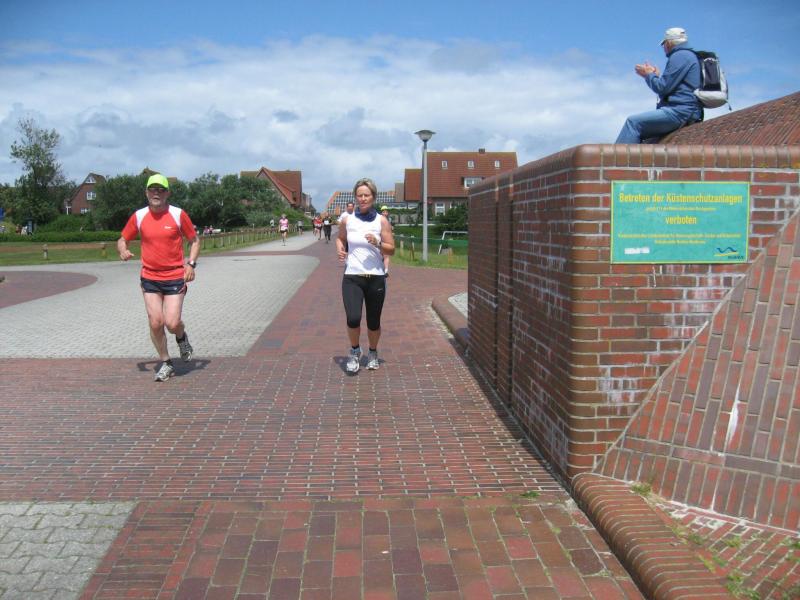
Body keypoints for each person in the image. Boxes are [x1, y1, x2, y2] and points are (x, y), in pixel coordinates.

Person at [117, 174, 200, 382]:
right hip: (150, 276)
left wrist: (190, 264)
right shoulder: (139, 216)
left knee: (171, 323)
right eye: (153, 189)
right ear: (146, 192)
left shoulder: (178, 214)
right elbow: (122, 239)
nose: (157, 193)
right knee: (155, 322)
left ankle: (181, 337)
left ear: (167, 193)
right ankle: (166, 362)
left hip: (174, 276)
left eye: (161, 190)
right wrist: (123, 250)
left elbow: (194, 240)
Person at [336, 178, 395, 374]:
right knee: (353, 318)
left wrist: (378, 243)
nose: (362, 198)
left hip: (375, 277)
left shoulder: (382, 221)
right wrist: (340, 250)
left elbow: (391, 249)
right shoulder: (347, 220)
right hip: (352, 276)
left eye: (366, 195)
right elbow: (340, 238)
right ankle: (354, 351)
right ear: (356, 197)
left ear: (373, 197)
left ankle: (372, 352)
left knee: (373, 321)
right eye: (359, 195)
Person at [615, 27, 702, 144]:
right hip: (687, 110)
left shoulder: (680, 56)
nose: (664, 48)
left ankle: (617, 156)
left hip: (680, 112)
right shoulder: (688, 55)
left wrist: (648, 75)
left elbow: (662, 88)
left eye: (663, 44)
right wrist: (655, 76)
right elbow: (669, 88)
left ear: (668, 43)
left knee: (632, 123)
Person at [380, 205, 392, 276]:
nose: (385, 213)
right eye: (383, 212)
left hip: (387, 240)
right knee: (380, 255)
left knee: (386, 255)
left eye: (386, 212)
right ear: (381, 212)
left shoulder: (389, 220)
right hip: (379, 239)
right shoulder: (378, 219)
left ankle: (386, 271)